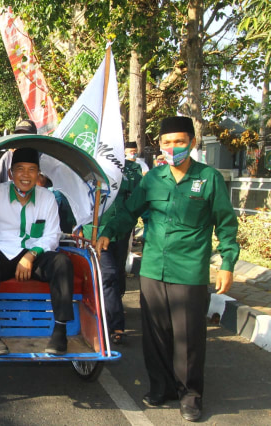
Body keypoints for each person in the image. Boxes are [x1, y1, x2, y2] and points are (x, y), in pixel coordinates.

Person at [95, 116, 239, 422]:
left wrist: (227, 263)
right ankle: (161, 387)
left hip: (189, 269)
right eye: (167, 142)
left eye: (179, 142)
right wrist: (109, 232)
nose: (172, 148)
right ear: (160, 146)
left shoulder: (209, 178)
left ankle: (190, 395)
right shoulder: (153, 178)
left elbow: (226, 224)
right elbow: (129, 211)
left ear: (192, 143)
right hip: (153, 269)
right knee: (155, 334)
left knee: (188, 337)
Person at [0, 147, 74, 356]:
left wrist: (31, 255)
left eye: (32, 170)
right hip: (1, 252)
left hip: (35, 256)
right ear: (11, 173)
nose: (26, 175)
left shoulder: (47, 198)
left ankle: (60, 330)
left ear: (38, 174)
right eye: (20, 169)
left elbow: (52, 235)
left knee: (62, 262)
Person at [83, 141, 143, 345]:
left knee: (116, 275)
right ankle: (114, 324)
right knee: (107, 275)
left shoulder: (130, 169)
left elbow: (136, 200)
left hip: (120, 231)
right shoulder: (84, 165)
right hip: (93, 231)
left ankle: (109, 310)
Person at [0, 119, 37, 186]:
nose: (22, 139)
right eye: (19, 136)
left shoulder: (41, 157)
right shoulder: (8, 156)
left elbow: (41, 183)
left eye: (26, 136)